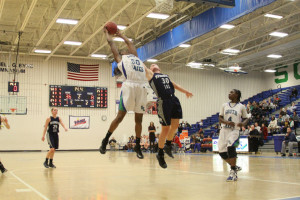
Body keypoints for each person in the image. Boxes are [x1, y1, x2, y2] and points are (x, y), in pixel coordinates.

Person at [99, 28, 148, 159]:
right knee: (120, 117)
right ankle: (105, 140)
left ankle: (137, 146)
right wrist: (109, 37)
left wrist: (121, 35)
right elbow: (112, 46)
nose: (127, 50)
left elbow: (130, 44)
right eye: (125, 50)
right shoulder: (121, 59)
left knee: (139, 119)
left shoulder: (135, 57)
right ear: (122, 53)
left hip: (142, 86)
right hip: (129, 86)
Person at [145, 64, 193, 168]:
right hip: (163, 102)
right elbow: (143, 66)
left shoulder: (165, 76)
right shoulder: (151, 75)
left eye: (155, 64)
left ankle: (168, 145)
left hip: (174, 100)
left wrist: (186, 91)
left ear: (159, 67)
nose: (153, 64)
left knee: (175, 126)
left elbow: (175, 85)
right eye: (151, 65)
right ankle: (160, 154)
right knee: (165, 129)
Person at [218, 89, 249, 182]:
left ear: (237, 95)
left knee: (231, 148)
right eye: (229, 92)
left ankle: (233, 172)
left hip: (234, 130)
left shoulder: (241, 107)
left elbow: (246, 118)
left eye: (232, 92)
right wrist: (226, 122)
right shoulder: (224, 105)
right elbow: (220, 118)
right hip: (224, 130)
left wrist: (243, 124)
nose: (229, 93)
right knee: (221, 152)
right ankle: (234, 166)